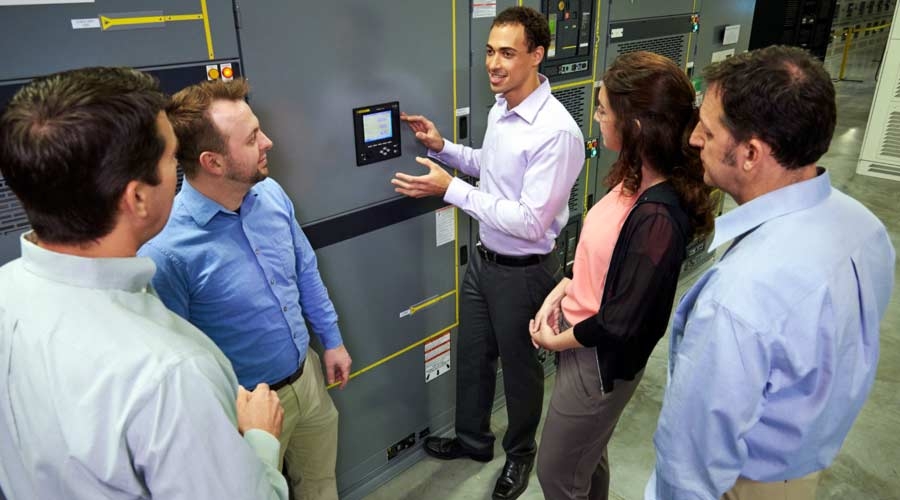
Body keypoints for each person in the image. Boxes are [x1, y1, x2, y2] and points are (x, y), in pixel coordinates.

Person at [0, 67, 288, 499]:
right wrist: (260, 441)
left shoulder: (6, 291)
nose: (180, 169)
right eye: (172, 159)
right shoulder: (172, 373)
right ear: (136, 197)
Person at [645, 45, 896, 500]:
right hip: (798, 475)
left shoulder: (738, 299)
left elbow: (690, 463)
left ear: (751, 153)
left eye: (708, 129)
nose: (695, 139)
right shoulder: (865, 228)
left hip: (739, 486)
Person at [392, 6, 585, 499]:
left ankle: (520, 455)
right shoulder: (503, 109)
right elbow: (491, 167)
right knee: (474, 356)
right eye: (490, 52)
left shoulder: (556, 132)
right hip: (484, 261)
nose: (494, 64)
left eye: (507, 53)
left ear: (537, 55)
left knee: (520, 373)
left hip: (525, 273)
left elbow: (530, 220)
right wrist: (443, 147)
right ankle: (474, 441)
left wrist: (451, 189)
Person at [138, 78, 351, 500]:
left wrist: (331, 340)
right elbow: (179, 363)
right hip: (244, 413)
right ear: (213, 162)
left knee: (320, 486)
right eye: (253, 137)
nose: (268, 142)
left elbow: (305, 270)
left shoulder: (270, 194)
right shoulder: (167, 252)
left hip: (307, 377)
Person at [528, 51, 713, 500]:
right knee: (587, 457)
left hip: (597, 360)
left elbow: (621, 322)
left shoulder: (658, 217)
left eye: (603, 110)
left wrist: (555, 340)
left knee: (556, 472)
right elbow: (603, 259)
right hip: (580, 340)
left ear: (635, 126)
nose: (596, 119)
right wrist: (563, 288)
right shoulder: (635, 178)